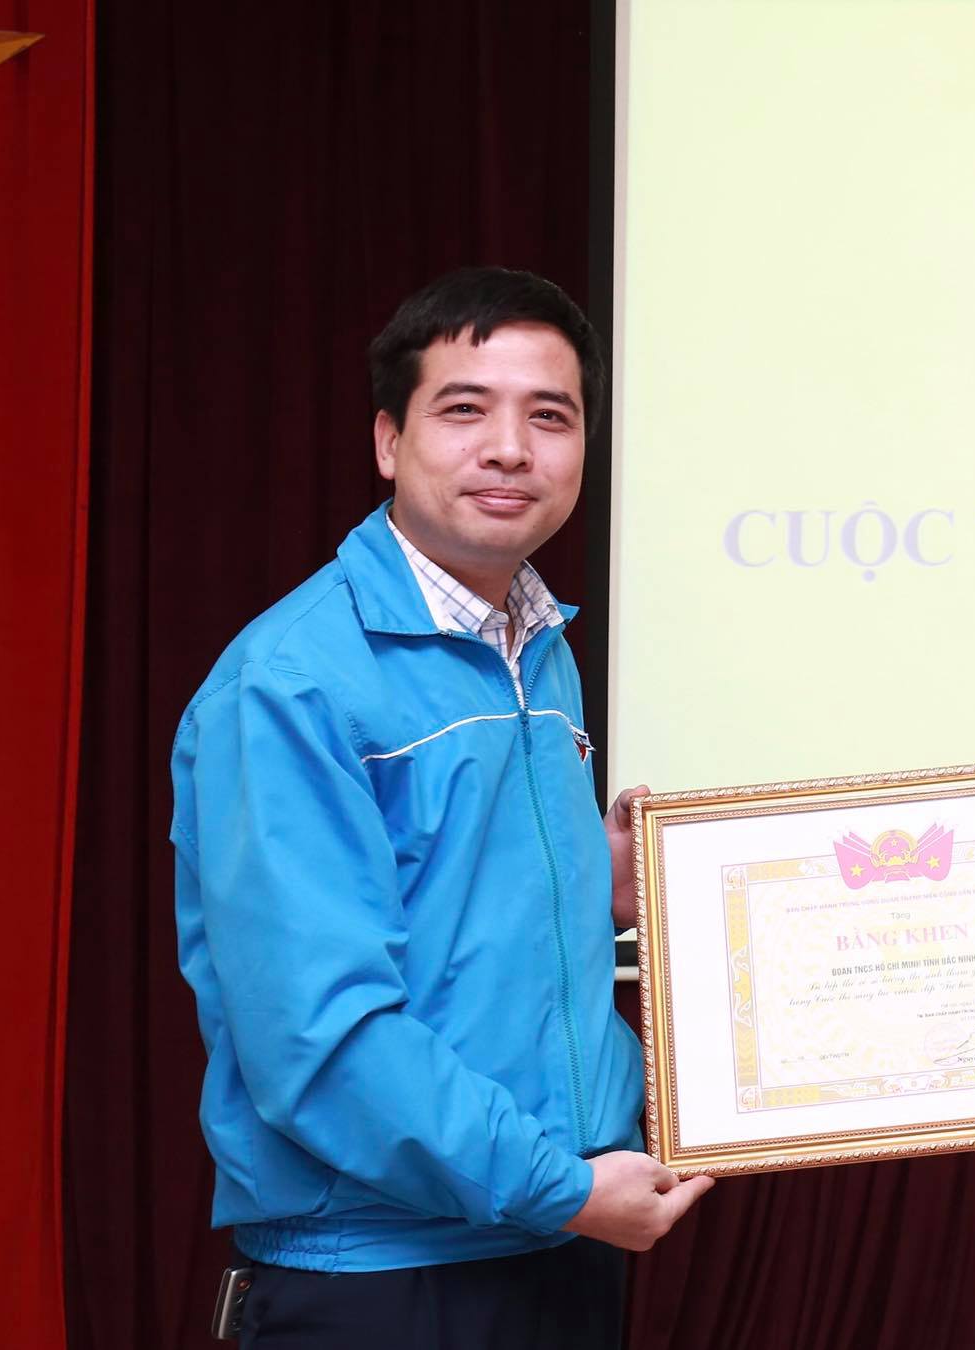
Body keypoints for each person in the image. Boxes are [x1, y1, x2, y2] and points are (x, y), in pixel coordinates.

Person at [171, 267, 710, 1348]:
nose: (510, 448)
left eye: (549, 416)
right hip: (387, 1278)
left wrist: (589, 890)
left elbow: (450, 909)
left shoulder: (535, 646)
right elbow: (323, 1035)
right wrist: (559, 1187)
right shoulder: (288, 684)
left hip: (553, 1244)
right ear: (388, 441)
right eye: (465, 409)